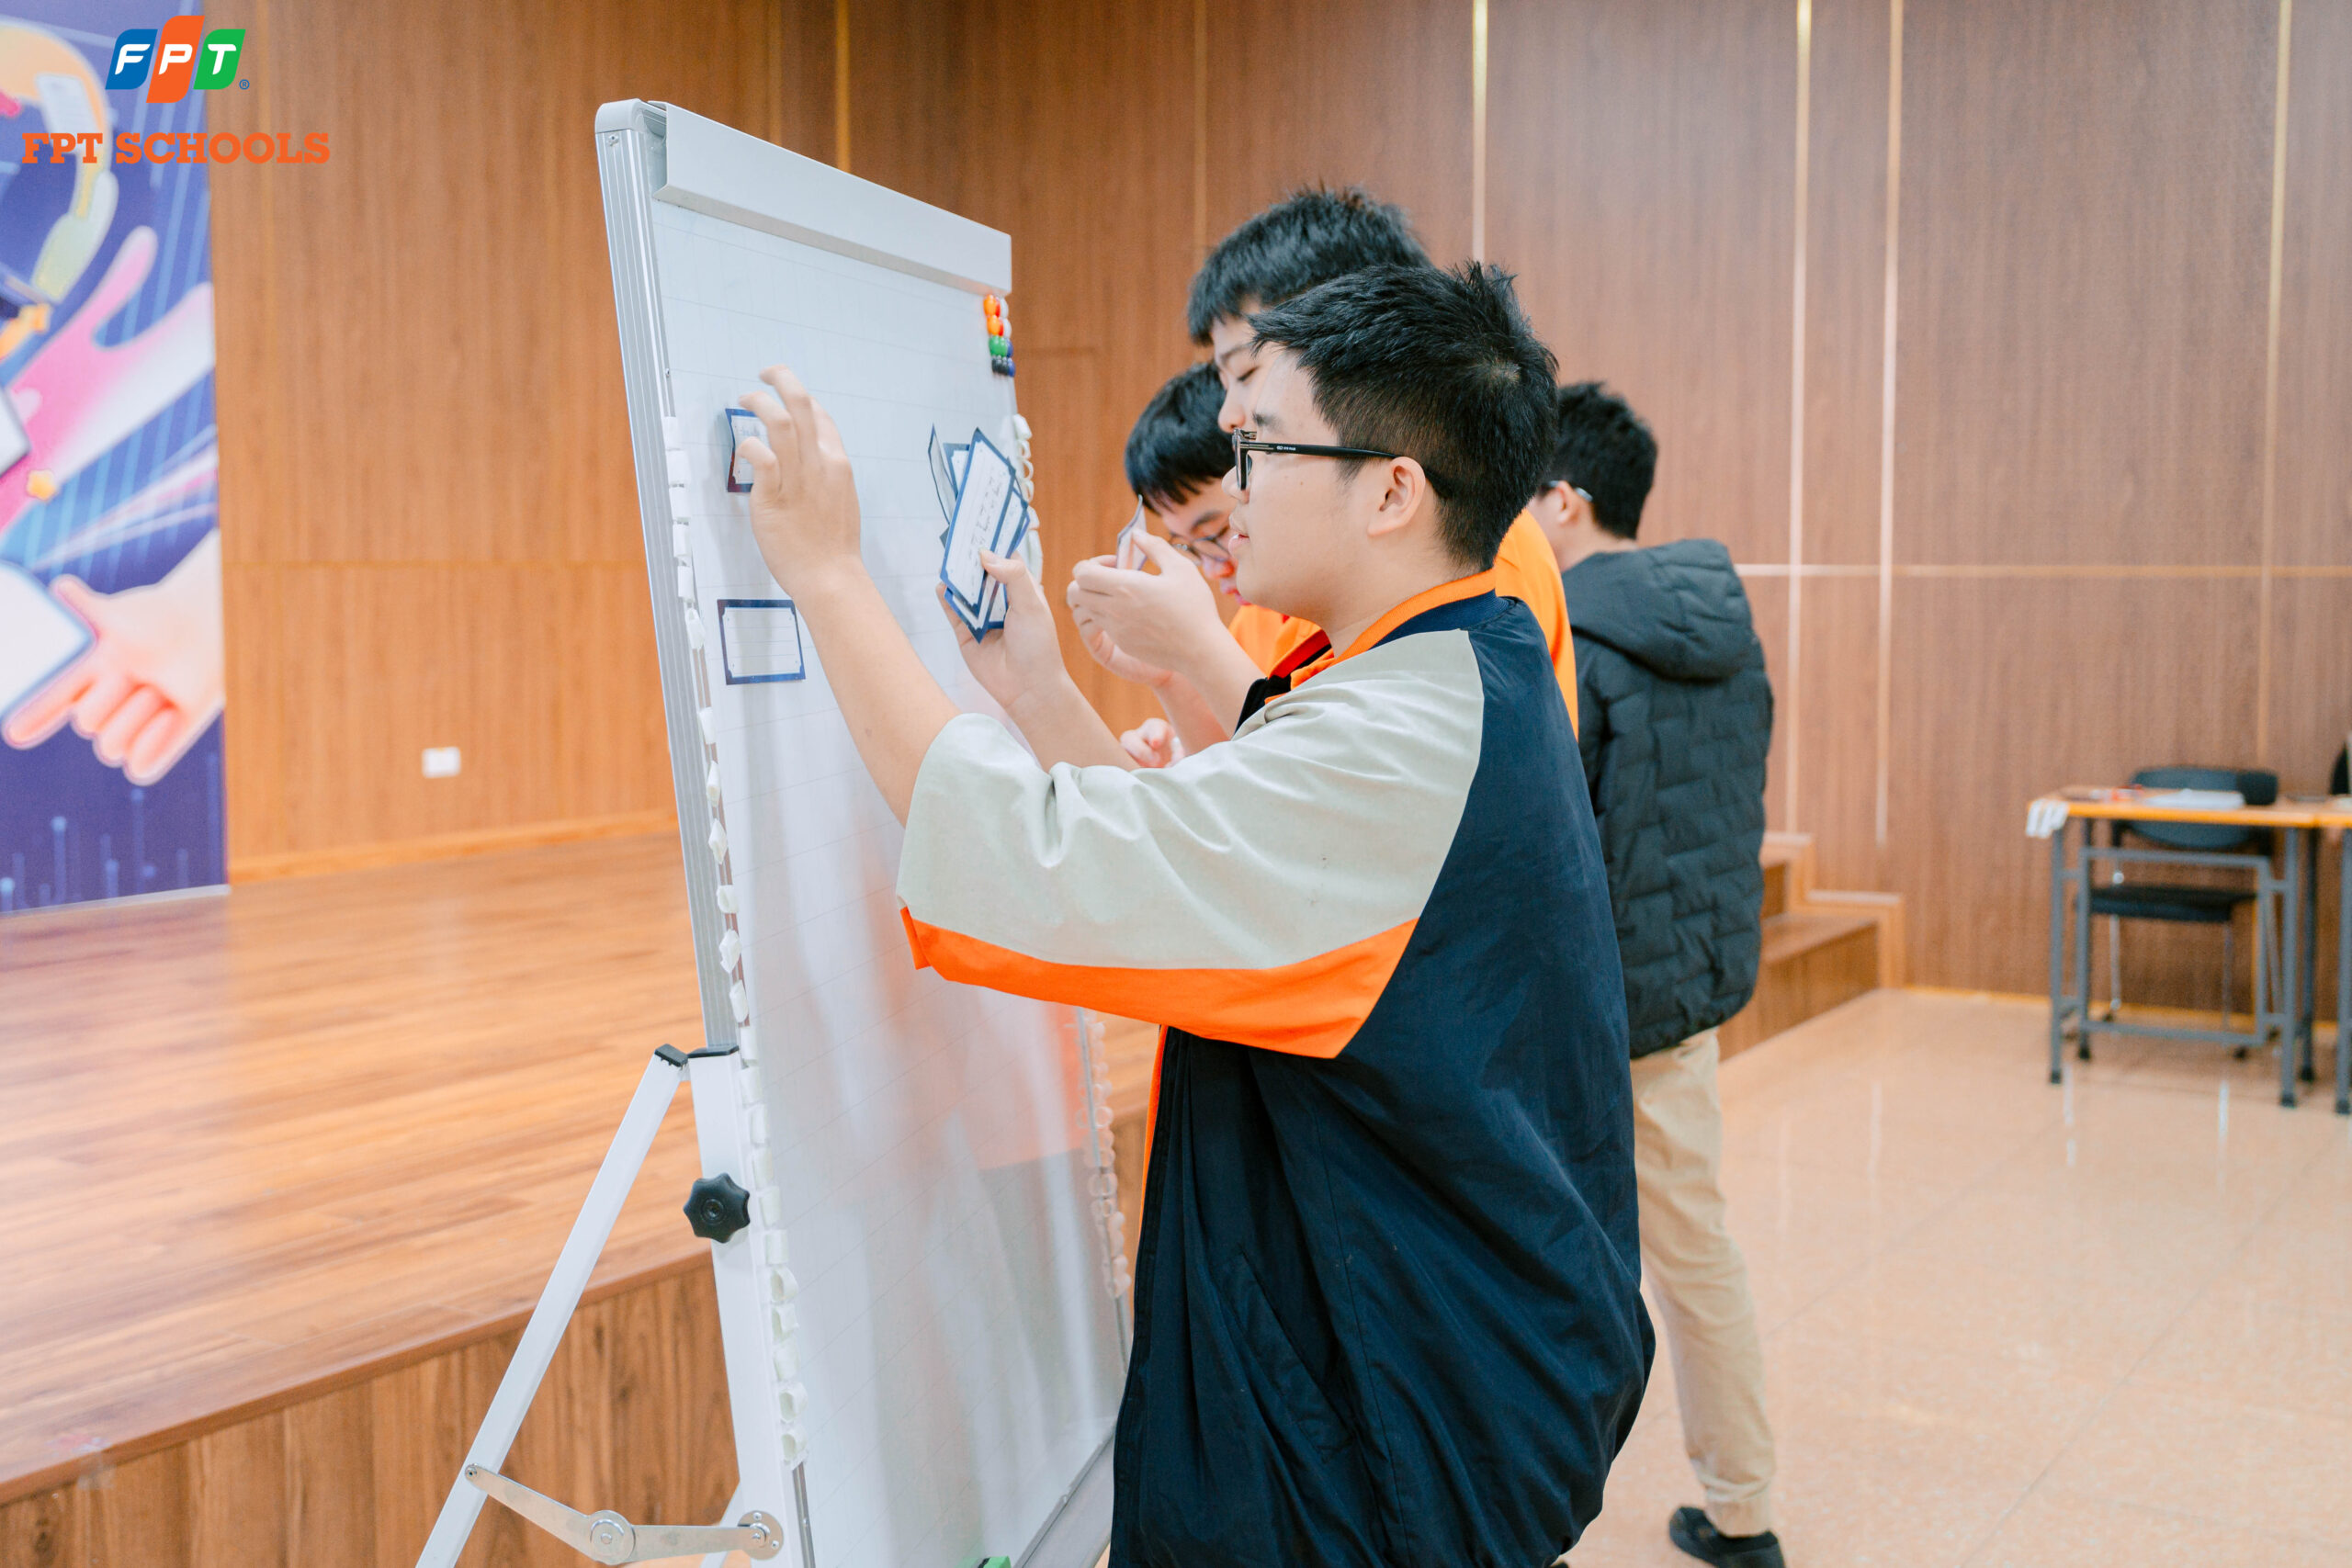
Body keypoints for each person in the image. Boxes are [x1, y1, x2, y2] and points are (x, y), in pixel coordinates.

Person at [735, 263, 1650, 1565]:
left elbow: (1036, 858)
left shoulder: (1397, 741)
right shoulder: (1450, 666)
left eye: (1263, 445)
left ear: (1393, 491)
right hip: (1425, 1353)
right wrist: (1042, 695)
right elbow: (1209, 881)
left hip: (1391, 1416)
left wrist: (829, 574)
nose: (1235, 475)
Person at [1528, 381, 1783, 1568]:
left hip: (1586, 1007)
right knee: (1694, 1254)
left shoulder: (1569, 638)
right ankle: (1741, 1507)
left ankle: (1539, 1513)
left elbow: (1551, 842)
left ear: (1563, 500)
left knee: (1553, 1267)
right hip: (1685, 987)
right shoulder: (1724, 627)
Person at [1074, 188, 1577, 768]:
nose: (1228, 417)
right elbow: (1251, 774)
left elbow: (1320, 774)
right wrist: (1178, 668)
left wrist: (1192, 649)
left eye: (1246, 372)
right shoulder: (1302, 577)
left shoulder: (1466, 558)